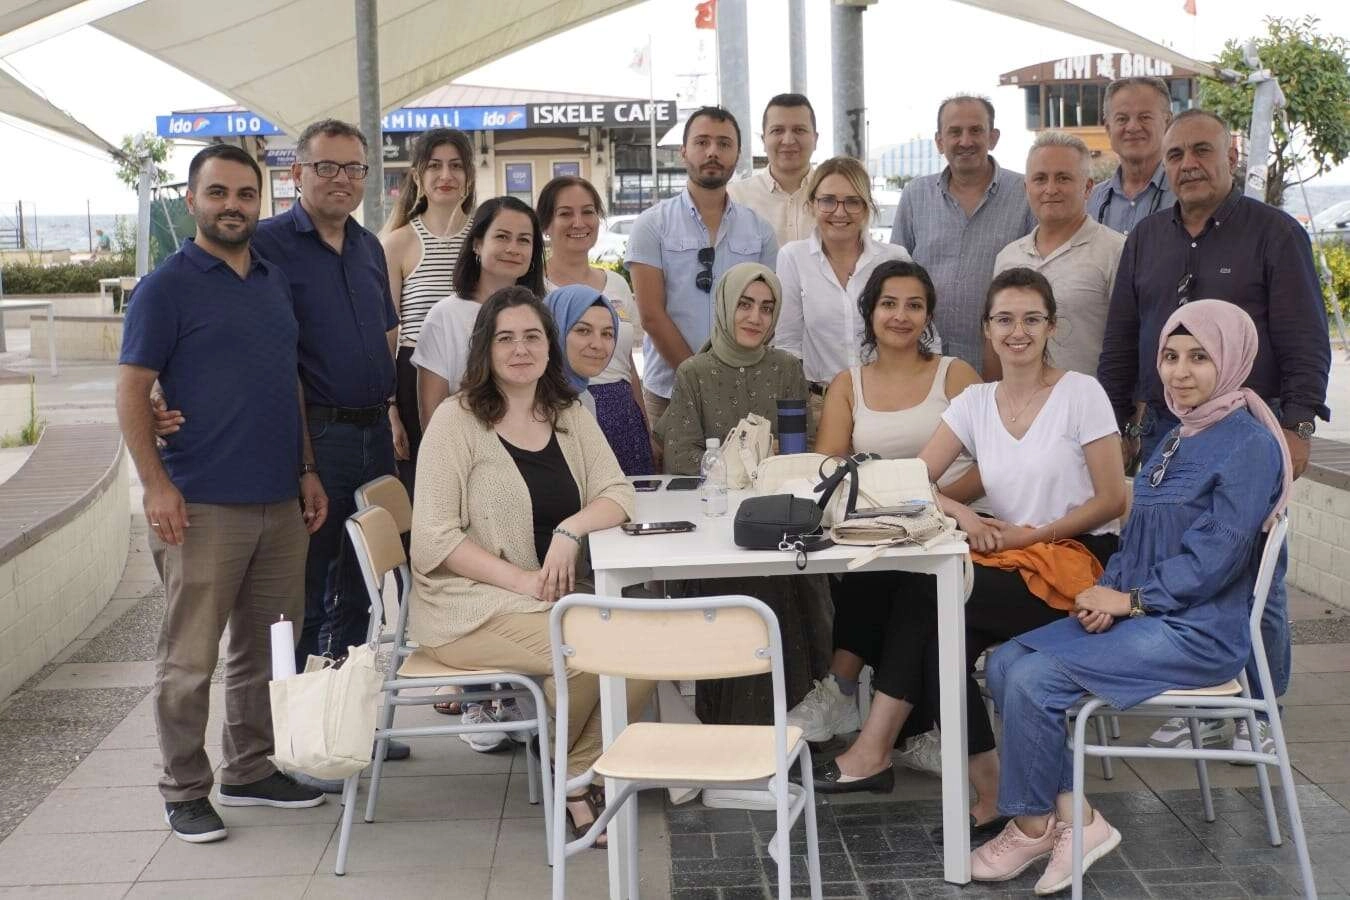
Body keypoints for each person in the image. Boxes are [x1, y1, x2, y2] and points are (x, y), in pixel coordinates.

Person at [972, 299, 1289, 895]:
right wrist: (1108, 592)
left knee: (1036, 681)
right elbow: (1138, 538)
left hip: (1198, 632)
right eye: (1170, 356)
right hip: (1146, 615)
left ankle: (1036, 823)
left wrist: (1134, 600)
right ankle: (1072, 819)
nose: (1180, 372)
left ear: (1232, 360)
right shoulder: (1175, 437)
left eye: (1199, 357)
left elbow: (1217, 557)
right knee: (1008, 662)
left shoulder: (1248, 444)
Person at [809, 268, 1125, 848]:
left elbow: (1112, 499)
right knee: (935, 631)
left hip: (1076, 564)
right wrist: (966, 516)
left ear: (1052, 326)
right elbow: (914, 480)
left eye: (1031, 319)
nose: (1017, 331)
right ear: (986, 328)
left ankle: (879, 751)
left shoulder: (1081, 392)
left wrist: (1033, 535)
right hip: (1009, 558)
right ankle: (986, 788)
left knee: (926, 597)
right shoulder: (977, 401)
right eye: (1004, 319)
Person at [1097, 110, 1330, 754]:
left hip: (1252, 429)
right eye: (1176, 156)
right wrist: (1118, 425)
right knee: (1176, 566)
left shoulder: (1274, 233)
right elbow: (1123, 339)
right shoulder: (1146, 239)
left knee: (1256, 577)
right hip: (1168, 430)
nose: (1188, 165)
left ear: (1231, 157)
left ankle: (1260, 712)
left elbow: (1306, 336)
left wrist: (1298, 426)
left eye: (1202, 150)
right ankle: (1204, 701)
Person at [117, 145, 327, 844]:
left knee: (265, 650)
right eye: (218, 193)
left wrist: (305, 467)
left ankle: (249, 768)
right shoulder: (165, 288)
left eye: (244, 194)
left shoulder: (271, 279)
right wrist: (156, 485)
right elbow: (132, 388)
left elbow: (287, 381)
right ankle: (183, 789)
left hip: (279, 501)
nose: (232, 205)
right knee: (189, 660)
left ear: (259, 201)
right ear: (192, 199)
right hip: (199, 503)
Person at [409, 285, 650, 846]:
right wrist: (523, 580)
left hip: (553, 598)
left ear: (549, 345)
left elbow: (618, 492)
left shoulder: (568, 414)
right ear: (485, 349)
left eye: (532, 337)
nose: (521, 350)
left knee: (645, 650)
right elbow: (433, 538)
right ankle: (577, 783)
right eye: (506, 339)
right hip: (469, 604)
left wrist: (570, 531)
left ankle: (572, 766)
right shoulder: (455, 421)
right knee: (585, 658)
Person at [786, 259, 980, 770]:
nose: (901, 315)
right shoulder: (848, 383)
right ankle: (903, 725)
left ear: (928, 316)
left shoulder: (955, 374)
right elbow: (830, 468)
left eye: (914, 305)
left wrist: (935, 507)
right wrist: (899, 513)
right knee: (876, 565)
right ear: (870, 312)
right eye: (889, 304)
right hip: (879, 526)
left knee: (904, 576)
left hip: (954, 523)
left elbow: (992, 463)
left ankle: (845, 688)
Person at [655, 263, 832, 808]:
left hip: (776, 522)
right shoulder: (694, 372)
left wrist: (751, 458)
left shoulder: (786, 368)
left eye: (767, 307)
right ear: (725, 307)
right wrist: (746, 456)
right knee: (738, 589)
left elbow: (800, 450)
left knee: (785, 585)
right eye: (745, 305)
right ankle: (732, 749)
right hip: (714, 529)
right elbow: (679, 455)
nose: (755, 317)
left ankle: (783, 738)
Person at [625, 105, 778, 425]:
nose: (712, 152)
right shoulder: (651, 225)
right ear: (683, 151)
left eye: (724, 143)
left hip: (742, 391)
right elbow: (651, 315)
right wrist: (701, 380)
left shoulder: (760, 231)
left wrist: (727, 380)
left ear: (737, 155)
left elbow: (767, 315)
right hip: (670, 394)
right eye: (702, 142)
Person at [890, 94, 1036, 376]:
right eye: (955, 132)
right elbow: (895, 276)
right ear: (939, 141)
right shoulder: (915, 195)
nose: (965, 141)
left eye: (976, 130)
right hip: (923, 365)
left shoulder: (1025, 193)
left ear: (993, 137)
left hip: (1001, 367)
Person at [775, 156, 913, 434]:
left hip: (889, 403)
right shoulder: (793, 257)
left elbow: (921, 337)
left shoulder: (894, 258)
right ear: (812, 204)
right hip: (819, 406)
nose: (840, 212)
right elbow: (788, 346)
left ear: (866, 207)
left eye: (852, 201)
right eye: (828, 200)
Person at [380, 127, 476, 496]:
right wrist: (390, 407)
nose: (446, 175)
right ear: (418, 176)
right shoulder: (397, 243)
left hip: (480, 376)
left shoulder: (487, 237)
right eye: (434, 166)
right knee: (428, 490)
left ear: (469, 175)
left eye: (456, 165)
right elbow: (389, 334)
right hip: (415, 379)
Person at [538, 175, 654, 474]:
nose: (579, 222)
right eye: (565, 213)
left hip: (624, 417)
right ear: (546, 224)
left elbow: (627, 365)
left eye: (588, 212)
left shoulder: (616, 284)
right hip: (562, 416)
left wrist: (645, 425)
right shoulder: (534, 290)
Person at [992, 132, 1124, 379]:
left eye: (1063, 178)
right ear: (1027, 188)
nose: (1050, 189)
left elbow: (1129, 342)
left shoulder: (1116, 251)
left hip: (1091, 401)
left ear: (1088, 187)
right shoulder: (1007, 258)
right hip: (1019, 401)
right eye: (1040, 179)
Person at [412, 196, 546, 430]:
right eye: (502, 236)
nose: (513, 249)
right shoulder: (444, 316)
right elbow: (432, 418)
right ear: (477, 244)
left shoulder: (546, 311)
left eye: (524, 240)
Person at [727, 93, 819, 246]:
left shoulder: (838, 197)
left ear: (815, 139)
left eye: (799, 130)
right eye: (777, 130)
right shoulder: (735, 199)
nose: (788, 141)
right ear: (763, 140)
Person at [1089, 76, 1176, 236]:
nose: (1133, 127)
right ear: (1108, 128)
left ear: (1168, 122)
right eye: (1122, 119)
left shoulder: (1186, 197)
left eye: (1144, 117)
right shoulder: (1090, 201)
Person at [543, 284, 620, 415]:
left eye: (607, 333)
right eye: (583, 330)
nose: (598, 345)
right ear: (553, 332)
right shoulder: (530, 406)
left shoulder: (583, 398)